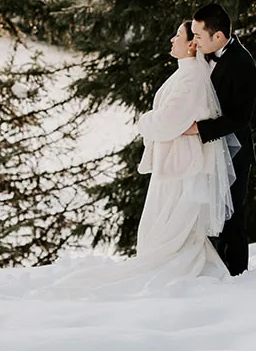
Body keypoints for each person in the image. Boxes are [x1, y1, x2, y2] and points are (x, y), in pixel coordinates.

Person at [51, 20, 235, 294]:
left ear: (192, 45)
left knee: (169, 227)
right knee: (163, 224)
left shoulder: (191, 77)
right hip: (174, 163)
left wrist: (144, 121)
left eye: (178, 36)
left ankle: (175, 271)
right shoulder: (186, 72)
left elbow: (167, 121)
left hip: (180, 167)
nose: (172, 40)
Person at [182, 2, 256, 275]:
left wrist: (200, 130)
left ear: (219, 37)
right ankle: (213, 271)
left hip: (234, 153)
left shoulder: (242, 64)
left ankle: (237, 275)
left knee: (232, 216)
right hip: (208, 152)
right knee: (209, 213)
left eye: (199, 36)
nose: (195, 41)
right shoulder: (203, 55)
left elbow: (241, 117)